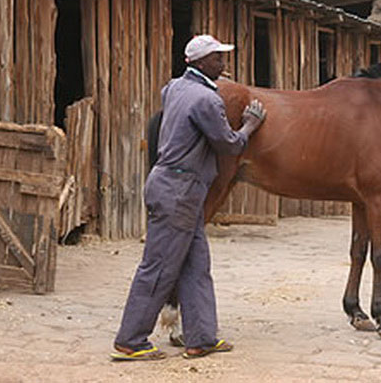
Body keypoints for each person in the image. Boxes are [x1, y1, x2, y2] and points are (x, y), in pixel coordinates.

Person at [111, 35, 266, 361]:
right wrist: (249, 126)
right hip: (179, 191)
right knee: (159, 266)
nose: (223, 63)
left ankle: (201, 338)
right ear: (198, 62)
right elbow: (229, 145)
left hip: (178, 189)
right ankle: (130, 341)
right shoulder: (206, 100)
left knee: (196, 266)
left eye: (222, 56)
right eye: (217, 58)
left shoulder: (174, 88)